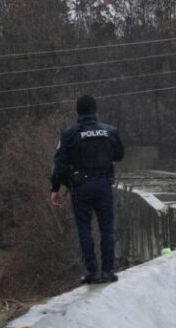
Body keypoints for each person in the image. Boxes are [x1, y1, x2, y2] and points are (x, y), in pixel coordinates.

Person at [50, 95, 124, 283]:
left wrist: (55, 188)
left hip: (81, 187)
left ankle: (92, 272)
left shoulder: (70, 133)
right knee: (107, 229)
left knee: (84, 230)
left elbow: (59, 163)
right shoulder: (110, 131)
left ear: (78, 111)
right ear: (95, 110)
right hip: (104, 185)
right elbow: (119, 155)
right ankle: (108, 271)